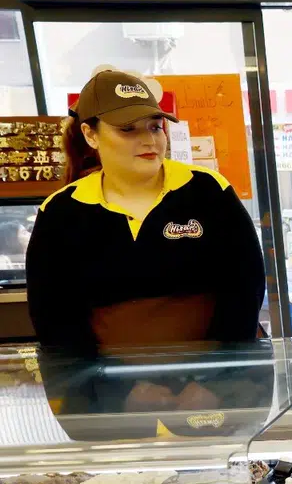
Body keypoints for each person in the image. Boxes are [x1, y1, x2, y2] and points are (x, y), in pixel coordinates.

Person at [26, 66, 266, 363]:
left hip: (213, 376)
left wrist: (207, 375)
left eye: (155, 127)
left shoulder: (209, 190)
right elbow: (53, 316)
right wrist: (115, 384)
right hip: (107, 381)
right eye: (128, 129)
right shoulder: (61, 211)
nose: (149, 140)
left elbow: (245, 288)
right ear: (90, 135)